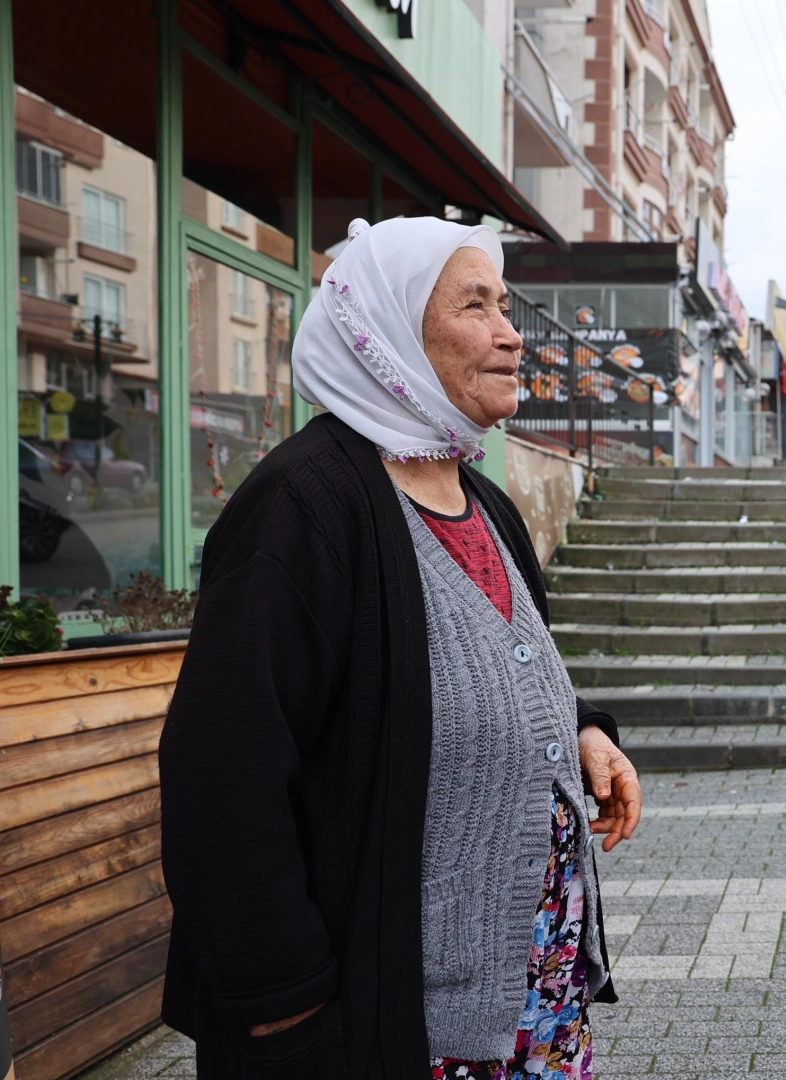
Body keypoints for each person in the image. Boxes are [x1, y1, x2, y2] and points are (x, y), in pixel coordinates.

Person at [159, 216, 644, 1080]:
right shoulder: (302, 507)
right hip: (386, 1026)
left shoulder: (484, 502)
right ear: (385, 328)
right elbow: (221, 770)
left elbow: (491, 668)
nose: (509, 333)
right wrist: (283, 1001)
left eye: (504, 305)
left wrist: (582, 733)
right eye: (474, 306)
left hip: (528, 1005)